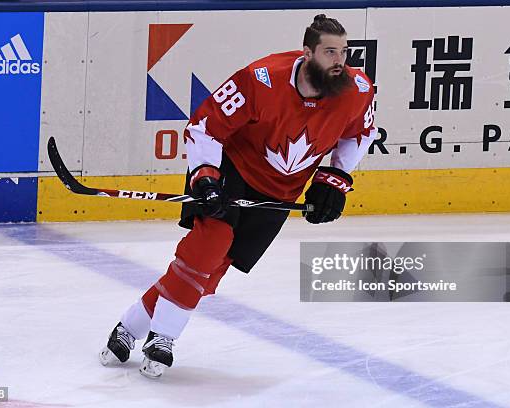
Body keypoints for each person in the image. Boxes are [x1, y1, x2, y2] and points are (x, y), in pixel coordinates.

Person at [99, 14, 378, 378]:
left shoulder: (357, 89)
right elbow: (205, 127)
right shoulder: (260, 80)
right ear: (307, 52)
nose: (340, 60)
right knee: (212, 240)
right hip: (232, 167)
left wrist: (334, 179)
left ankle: (129, 327)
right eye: (329, 52)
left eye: (343, 51)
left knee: (213, 267)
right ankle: (163, 336)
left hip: (282, 187)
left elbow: (361, 133)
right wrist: (206, 179)